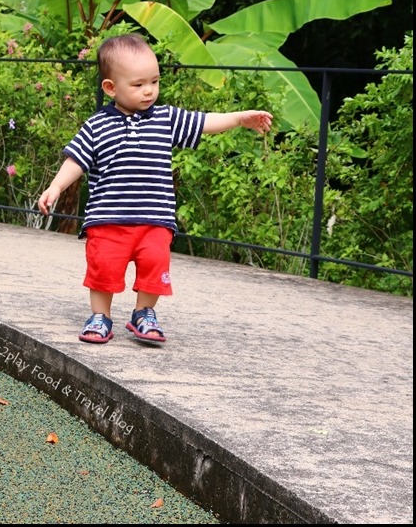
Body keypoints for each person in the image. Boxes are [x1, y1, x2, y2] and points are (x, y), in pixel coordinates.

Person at [38, 33, 272, 345]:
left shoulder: (166, 118)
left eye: (154, 82)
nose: (149, 91)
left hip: (155, 219)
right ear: (111, 87)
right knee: (103, 269)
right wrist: (55, 187)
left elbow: (204, 122)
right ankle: (100, 316)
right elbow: (76, 160)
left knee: (154, 267)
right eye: (138, 85)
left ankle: (144, 313)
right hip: (108, 219)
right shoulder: (97, 125)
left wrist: (240, 119)